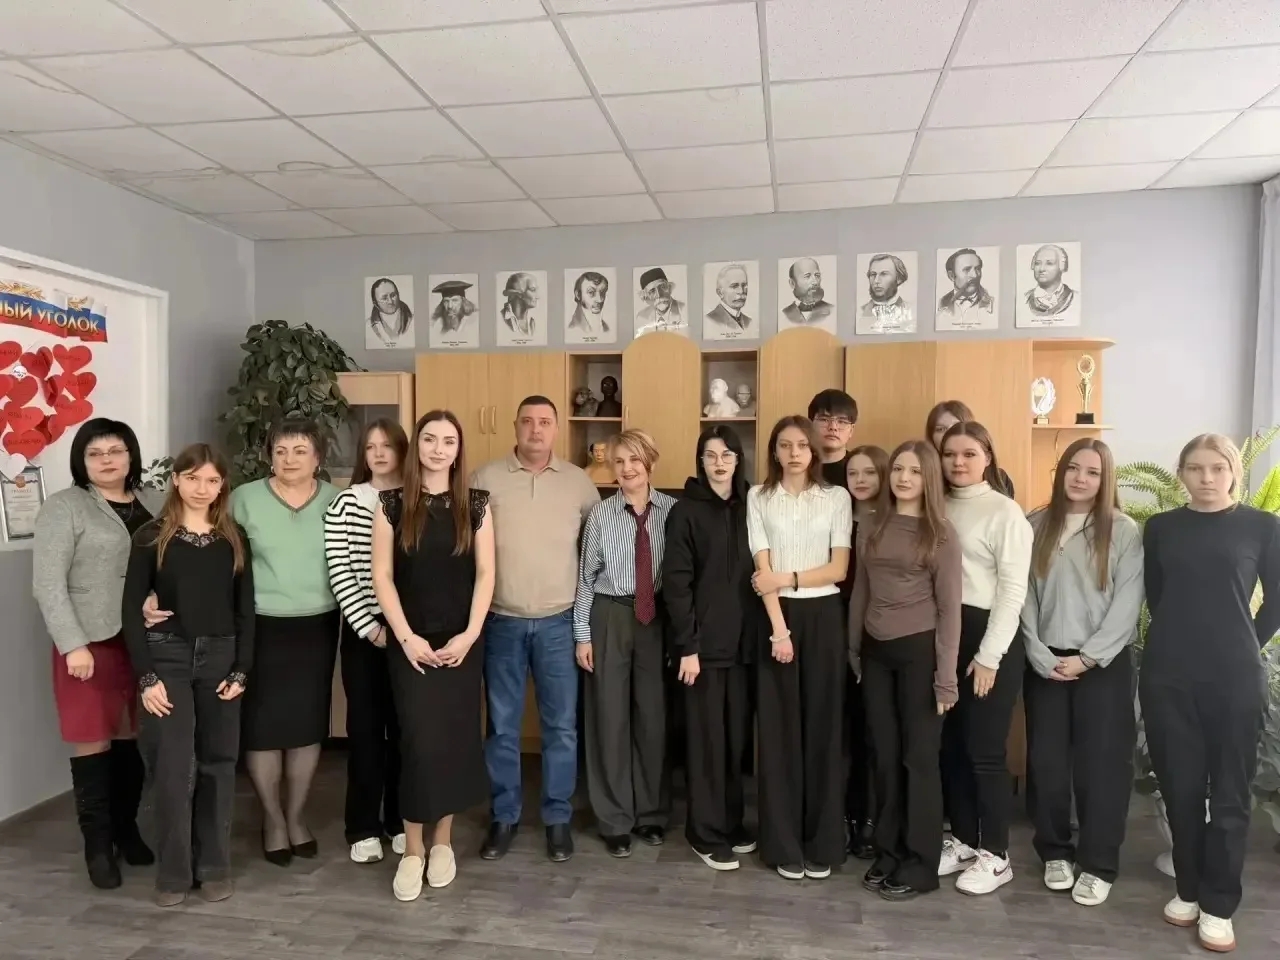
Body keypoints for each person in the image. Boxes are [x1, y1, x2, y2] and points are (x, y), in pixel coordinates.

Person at [1140, 434, 1280, 953]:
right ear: (1181, 473)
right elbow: (1157, 595)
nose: (1206, 478)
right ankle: (1188, 889)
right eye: (1195, 468)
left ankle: (1219, 904)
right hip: (1168, 676)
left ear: (1233, 472)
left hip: (1235, 679)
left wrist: (1244, 644)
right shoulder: (1161, 528)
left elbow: (1276, 602)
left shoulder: (1262, 526)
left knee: (1229, 794)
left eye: (1217, 468)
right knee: (1179, 788)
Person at [121, 444, 253, 907]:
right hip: (167, 658)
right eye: (193, 478)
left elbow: (245, 610)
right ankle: (173, 873)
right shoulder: (150, 536)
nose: (202, 488)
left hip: (221, 658)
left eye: (212, 480)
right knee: (174, 766)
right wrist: (146, 677)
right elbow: (131, 611)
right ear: (176, 480)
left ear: (222, 486)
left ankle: (213, 866)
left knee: (218, 762)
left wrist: (242, 669)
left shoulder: (233, 538)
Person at [372, 411, 494, 900]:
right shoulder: (391, 504)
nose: (438, 449)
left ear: (458, 450)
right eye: (429, 439)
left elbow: (486, 574)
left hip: (461, 642)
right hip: (411, 644)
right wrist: (405, 637)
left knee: (452, 742)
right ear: (416, 446)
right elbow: (382, 576)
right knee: (417, 744)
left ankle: (442, 842)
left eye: (448, 441)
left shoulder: (477, 504)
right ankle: (413, 849)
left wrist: (470, 635)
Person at [471, 396, 600, 862]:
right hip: (501, 621)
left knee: (561, 727)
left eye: (545, 422)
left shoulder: (579, 483)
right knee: (502, 727)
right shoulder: (484, 479)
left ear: (556, 429)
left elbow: (595, 552)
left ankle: (557, 818)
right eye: (527, 421)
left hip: (559, 623)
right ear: (514, 426)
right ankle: (504, 816)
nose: (536, 429)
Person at [32, 419, 156, 889]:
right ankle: (98, 847)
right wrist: (73, 645)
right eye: (95, 453)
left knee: (131, 739)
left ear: (131, 455)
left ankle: (127, 829)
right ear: (81, 461)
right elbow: (48, 583)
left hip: (142, 642)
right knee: (93, 741)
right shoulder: (65, 507)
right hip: (88, 644)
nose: (107, 460)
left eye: (116, 450)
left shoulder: (153, 501)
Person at [1021, 438, 1143, 908]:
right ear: (1061, 471)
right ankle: (1055, 851)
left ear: (1105, 479)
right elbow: (1022, 596)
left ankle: (1098, 864)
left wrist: (1089, 657)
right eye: (1073, 468)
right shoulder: (1036, 524)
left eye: (1092, 472)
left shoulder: (1124, 531)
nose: (1080, 478)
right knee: (1047, 764)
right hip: (1046, 663)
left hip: (1103, 665)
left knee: (1103, 769)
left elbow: (1128, 602)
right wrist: (1038, 652)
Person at [221, 419, 339, 863]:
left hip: (317, 625)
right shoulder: (243, 498)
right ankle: (272, 820)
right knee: (263, 729)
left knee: (307, 725)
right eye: (281, 450)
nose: (289, 459)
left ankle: (296, 816)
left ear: (318, 458)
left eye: (300, 450)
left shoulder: (337, 500)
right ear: (269, 456)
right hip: (260, 626)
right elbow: (218, 556)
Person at [849, 440, 961, 901]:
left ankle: (920, 864)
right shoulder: (872, 524)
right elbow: (861, 589)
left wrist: (946, 679)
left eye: (914, 471)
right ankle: (889, 851)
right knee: (885, 755)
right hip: (875, 653)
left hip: (920, 655)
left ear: (928, 477)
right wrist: (854, 649)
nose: (903, 478)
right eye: (898, 469)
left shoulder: (941, 533)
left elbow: (949, 609)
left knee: (918, 760)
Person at [748, 415, 852, 880]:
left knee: (824, 730)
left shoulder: (836, 497)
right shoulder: (758, 497)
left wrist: (787, 578)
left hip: (825, 616)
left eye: (802, 446)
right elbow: (761, 572)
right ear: (774, 450)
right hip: (776, 617)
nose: (794, 453)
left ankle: (822, 842)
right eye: (785, 445)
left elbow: (838, 569)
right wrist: (779, 630)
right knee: (778, 733)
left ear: (814, 451)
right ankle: (782, 844)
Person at [937, 421, 1033, 894]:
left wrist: (989, 656)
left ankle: (996, 854)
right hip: (945, 635)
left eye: (969, 453)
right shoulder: (936, 505)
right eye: (950, 454)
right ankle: (962, 840)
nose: (958, 462)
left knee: (985, 751)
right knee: (951, 746)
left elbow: (1013, 590)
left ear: (988, 458)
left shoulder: (1004, 512)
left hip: (989, 639)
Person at [663, 426, 762, 870]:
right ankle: (703, 832)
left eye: (727, 455)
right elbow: (676, 584)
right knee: (706, 743)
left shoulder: (753, 505)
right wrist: (687, 646)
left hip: (744, 649)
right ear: (700, 461)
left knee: (735, 742)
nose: (719, 463)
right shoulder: (685, 512)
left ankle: (731, 822)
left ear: (738, 459)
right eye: (710, 455)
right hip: (700, 651)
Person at [575, 430, 675, 857]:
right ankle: (614, 818)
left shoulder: (673, 512)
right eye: (619, 462)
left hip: (656, 619)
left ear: (650, 461)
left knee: (652, 718)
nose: (627, 469)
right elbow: (585, 578)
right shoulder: (600, 514)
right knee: (609, 718)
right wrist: (582, 635)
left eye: (634, 460)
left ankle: (651, 813)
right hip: (610, 615)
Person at [324, 418, 410, 864]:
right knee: (365, 732)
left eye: (387, 446)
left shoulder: (414, 500)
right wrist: (371, 629)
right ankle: (362, 826)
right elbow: (339, 572)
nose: (378, 453)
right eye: (371, 447)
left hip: (409, 633)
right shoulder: (346, 502)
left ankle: (399, 821)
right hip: (365, 632)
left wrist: (405, 631)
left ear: (402, 452)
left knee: (404, 731)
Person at [843, 443, 888, 859]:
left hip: (877, 635)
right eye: (853, 473)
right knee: (842, 732)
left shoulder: (891, 521)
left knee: (874, 733)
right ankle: (844, 815)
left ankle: (872, 820)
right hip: (832, 632)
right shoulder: (837, 515)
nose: (860, 480)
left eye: (869, 472)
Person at [926, 401, 1015, 499]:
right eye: (941, 429)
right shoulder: (925, 478)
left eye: (957, 426)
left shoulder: (1001, 478)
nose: (950, 433)